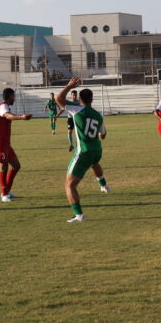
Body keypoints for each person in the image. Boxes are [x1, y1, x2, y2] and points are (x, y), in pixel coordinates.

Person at [56, 77, 109, 223]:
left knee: (69, 184)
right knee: (94, 163)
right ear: (92, 99)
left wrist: (69, 86)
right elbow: (103, 135)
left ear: (79, 99)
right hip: (97, 150)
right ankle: (103, 184)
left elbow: (59, 99)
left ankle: (79, 215)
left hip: (84, 152)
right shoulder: (98, 115)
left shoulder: (77, 109)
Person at [0, 88, 33, 203]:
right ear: (9, 96)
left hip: (5, 143)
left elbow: (9, 115)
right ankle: (4, 194)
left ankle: (7, 190)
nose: (15, 98)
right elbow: (8, 116)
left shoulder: (6, 107)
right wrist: (22, 117)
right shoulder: (3, 106)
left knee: (16, 166)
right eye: (13, 96)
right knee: (4, 167)